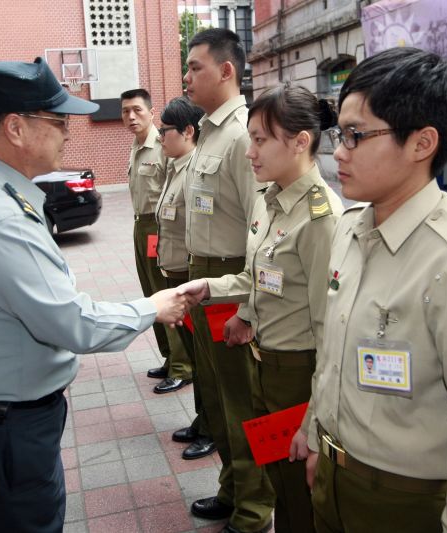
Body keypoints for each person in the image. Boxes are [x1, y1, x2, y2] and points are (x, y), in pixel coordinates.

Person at [0, 58, 194, 533]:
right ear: (14, 127)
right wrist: (153, 307)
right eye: (58, 121)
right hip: (3, 429)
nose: (67, 132)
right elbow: (74, 324)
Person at [307, 47, 447, 533]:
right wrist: (315, 437)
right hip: (331, 478)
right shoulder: (349, 229)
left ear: (422, 142)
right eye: (338, 134)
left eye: (355, 135)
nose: (338, 151)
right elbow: (333, 353)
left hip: (406, 503)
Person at [180, 85, 343, 533]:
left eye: (260, 139)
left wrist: (314, 418)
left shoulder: (320, 217)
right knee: (277, 477)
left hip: (297, 372)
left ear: (300, 141)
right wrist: (212, 290)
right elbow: (260, 279)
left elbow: (329, 328)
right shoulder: (272, 199)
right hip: (264, 362)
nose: (249, 151)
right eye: (250, 138)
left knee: (300, 494)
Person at [182, 27, 275, 533]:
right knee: (215, 397)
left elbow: (261, 232)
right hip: (204, 276)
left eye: (196, 66)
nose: (187, 76)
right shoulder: (208, 130)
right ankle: (232, 485)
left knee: (242, 400)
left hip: (231, 278)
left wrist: (248, 306)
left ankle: (256, 505)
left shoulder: (243, 134)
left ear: (226, 70)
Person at [155, 97, 215, 458]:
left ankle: (210, 427)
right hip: (175, 272)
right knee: (196, 358)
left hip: (190, 277)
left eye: (165, 131)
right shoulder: (176, 167)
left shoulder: (195, 171)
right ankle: (202, 418)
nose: (160, 137)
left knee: (205, 365)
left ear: (188, 132)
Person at [121, 89, 189, 392]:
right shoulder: (136, 147)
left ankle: (182, 366)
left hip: (159, 228)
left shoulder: (161, 146)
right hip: (140, 226)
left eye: (137, 110)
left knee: (166, 294)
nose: (131, 117)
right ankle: (168, 356)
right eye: (125, 111)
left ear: (151, 112)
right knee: (151, 295)